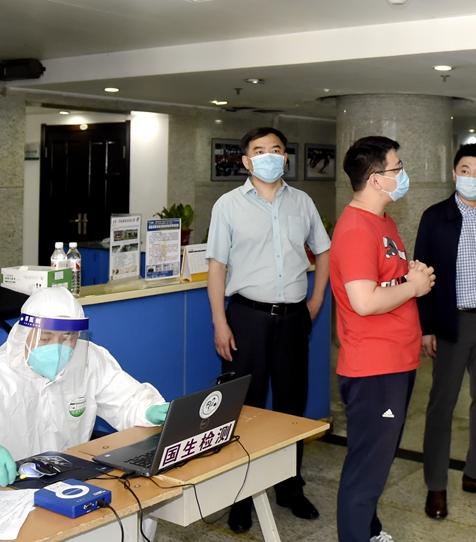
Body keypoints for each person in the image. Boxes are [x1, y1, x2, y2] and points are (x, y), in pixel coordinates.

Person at [206, 126, 331, 531]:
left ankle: (290, 487)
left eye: (276, 149)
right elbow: (216, 268)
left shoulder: (302, 202)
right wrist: (220, 322)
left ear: (286, 157)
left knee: (292, 407)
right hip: (246, 318)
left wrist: (315, 301)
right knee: (245, 408)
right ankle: (240, 496)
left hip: (294, 318)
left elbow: (324, 251)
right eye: (260, 151)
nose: (269, 156)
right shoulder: (228, 205)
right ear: (246, 161)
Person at [331, 136, 435, 542]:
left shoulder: (383, 221)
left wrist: (409, 277)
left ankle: (369, 530)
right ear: (375, 179)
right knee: (367, 468)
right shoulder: (357, 228)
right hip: (374, 367)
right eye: (397, 168)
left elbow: (385, 279)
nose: (403, 174)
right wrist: (413, 287)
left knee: (376, 459)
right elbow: (364, 300)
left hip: (395, 359)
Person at [414, 143, 476, 519]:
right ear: (454, 173)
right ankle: (435, 484)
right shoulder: (434, 216)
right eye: (465, 170)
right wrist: (426, 328)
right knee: (441, 406)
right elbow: (421, 275)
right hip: (449, 324)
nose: (472, 177)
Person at [0, 287, 167, 487]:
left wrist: (148, 410)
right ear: (24, 333)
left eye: (67, 338)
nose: (56, 347)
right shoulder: (4, 374)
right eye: (45, 338)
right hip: (12, 484)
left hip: (73, 476)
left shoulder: (88, 360)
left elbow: (126, 400)